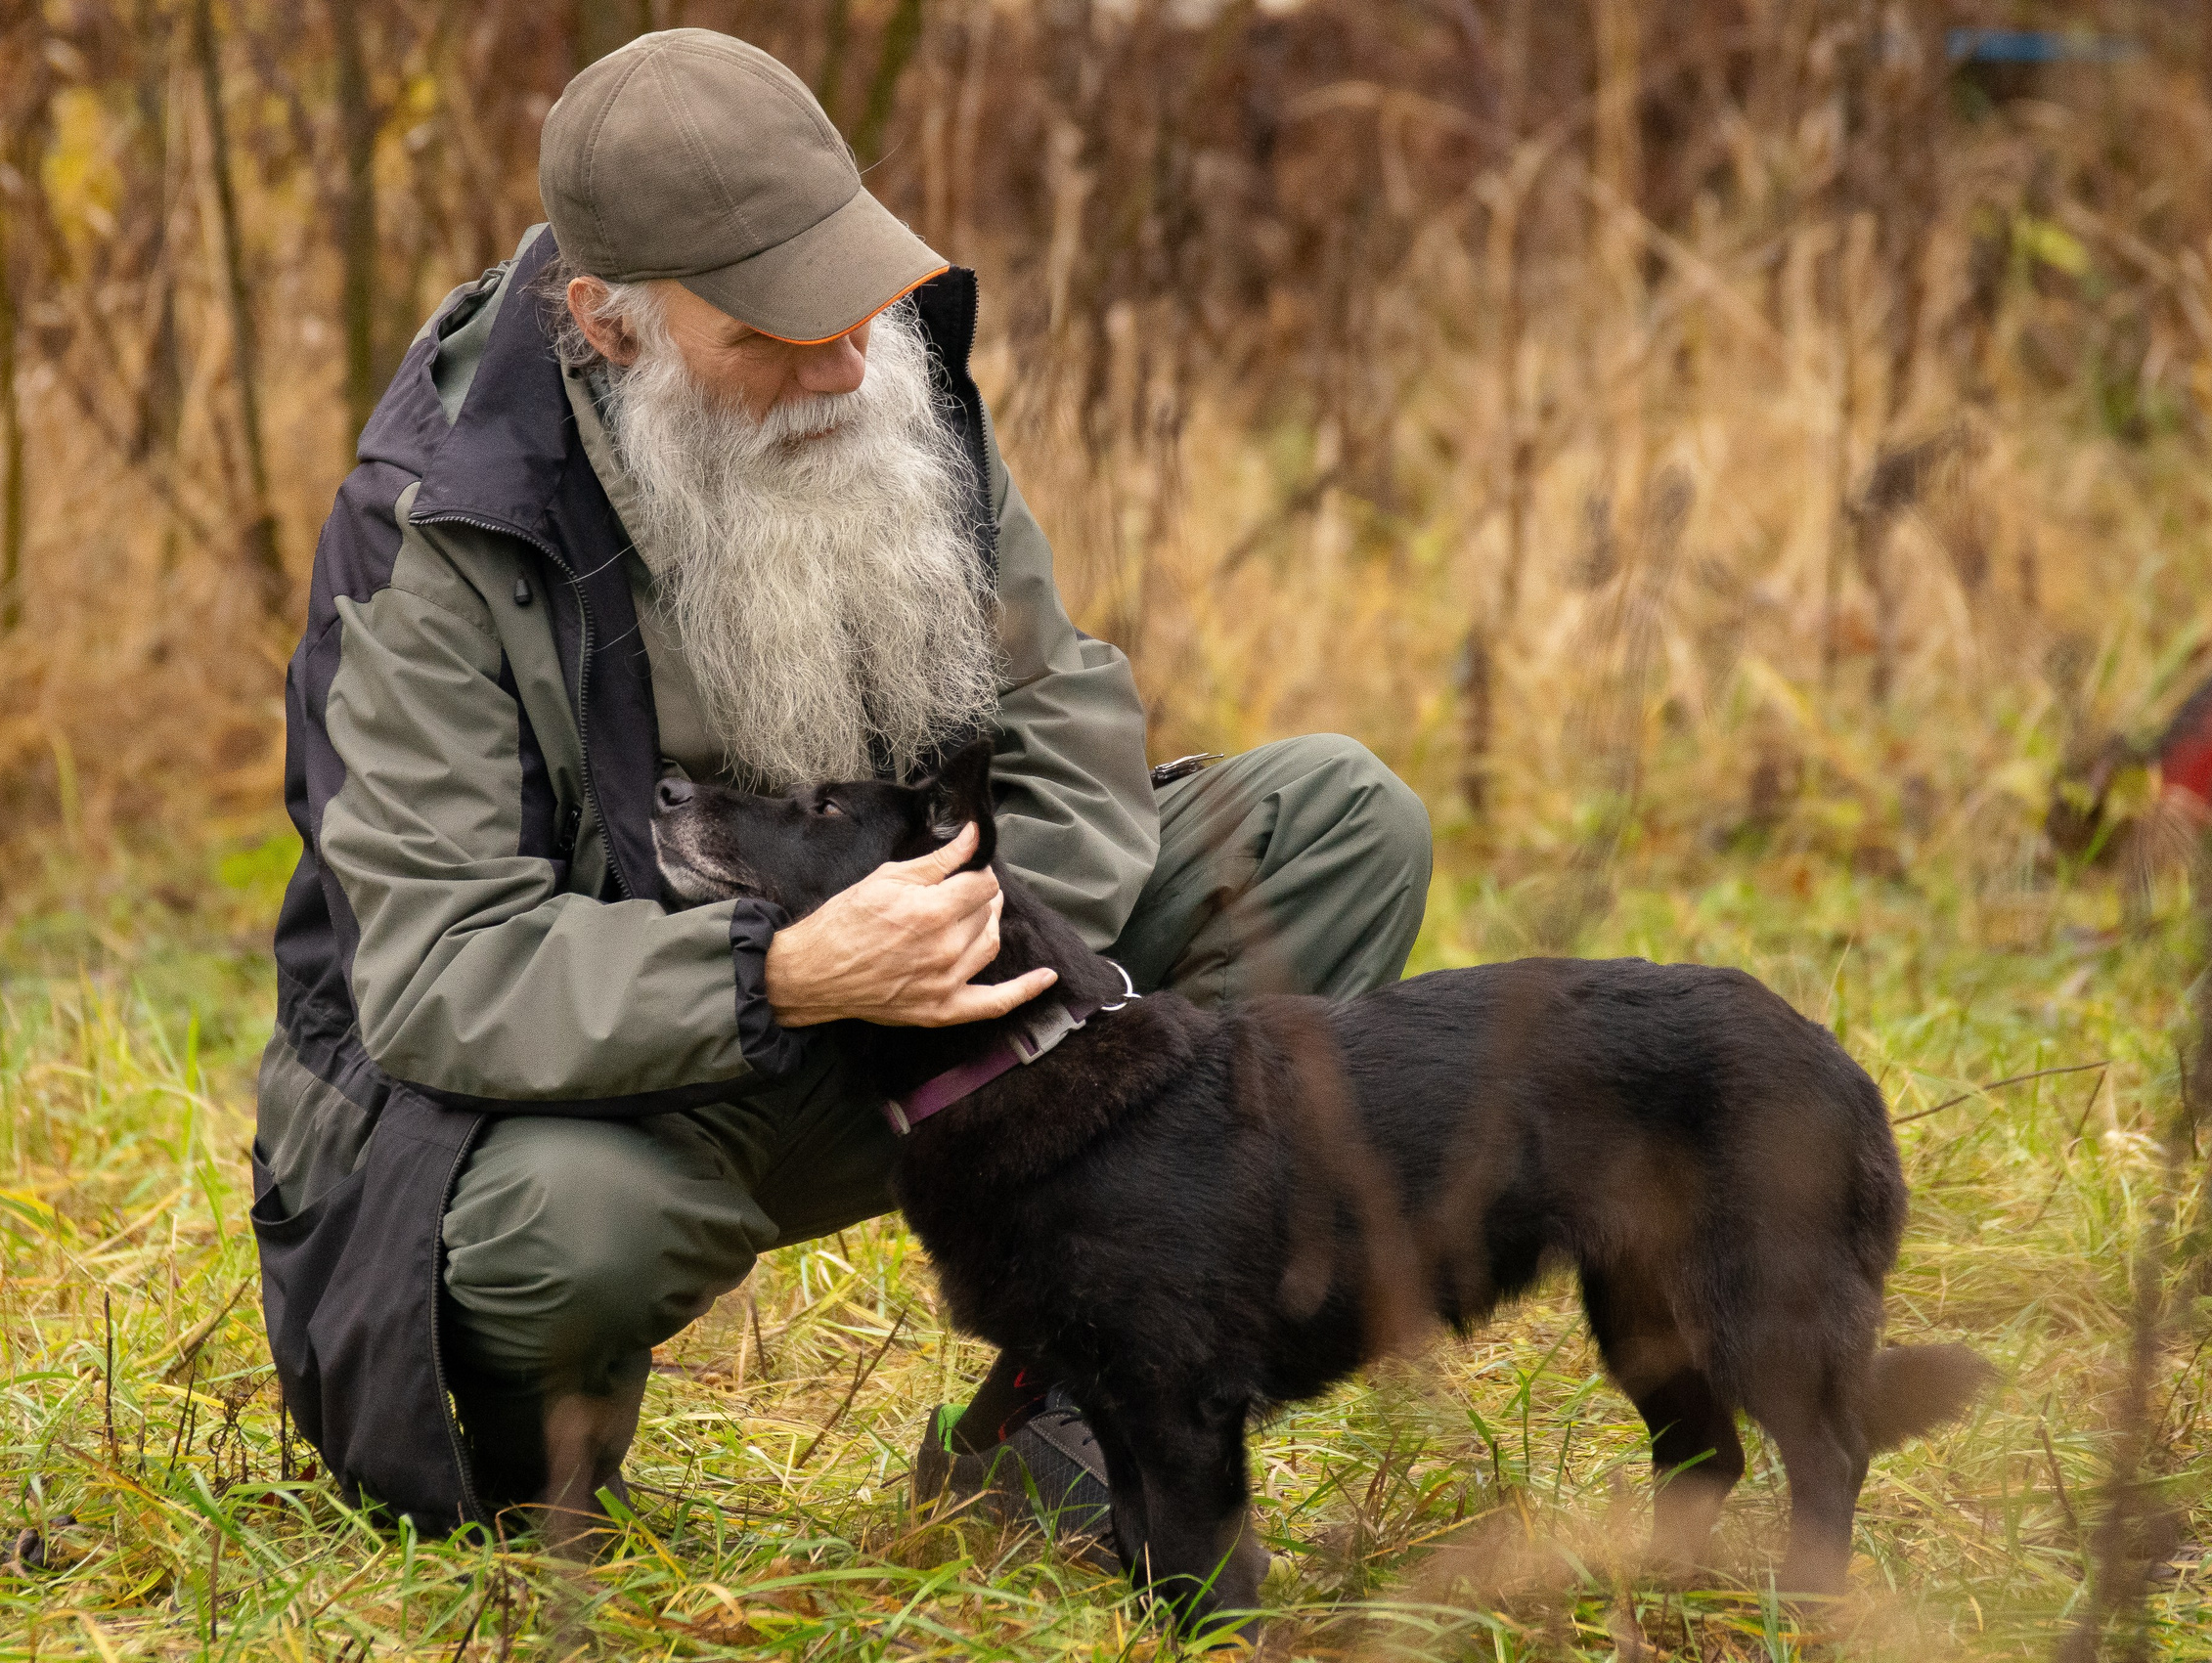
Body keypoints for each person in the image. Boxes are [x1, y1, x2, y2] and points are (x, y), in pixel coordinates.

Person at [251, 26, 1432, 1551]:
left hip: (921, 1004)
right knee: (574, 1236)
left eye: (847, 303)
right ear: (613, 329)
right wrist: (787, 971)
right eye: (769, 336)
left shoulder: (882, 384)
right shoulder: (433, 537)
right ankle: (530, 1484)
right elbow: (437, 973)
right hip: (628, 1084)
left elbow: (1055, 698)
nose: (840, 368)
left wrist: (1010, 951)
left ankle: (1074, 1404)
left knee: (1338, 824)